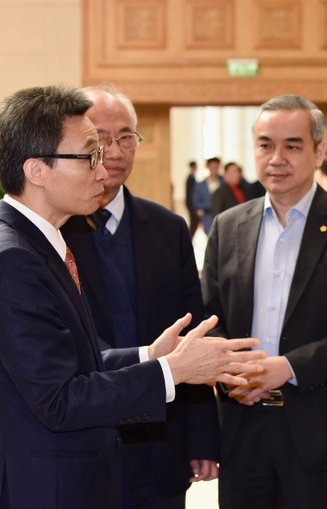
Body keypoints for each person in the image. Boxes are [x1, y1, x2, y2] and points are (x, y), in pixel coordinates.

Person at [0, 85, 265, 509]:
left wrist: (149, 356)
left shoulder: (32, 244)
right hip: (44, 490)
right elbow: (59, 400)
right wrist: (172, 371)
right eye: (90, 155)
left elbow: (69, 364)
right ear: (37, 170)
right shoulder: (11, 260)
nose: (104, 171)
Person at [202, 94, 327, 508]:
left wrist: (286, 368)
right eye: (265, 145)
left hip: (323, 431)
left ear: (318, 151)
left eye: (292, 145)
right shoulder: (229, 225)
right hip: (242, 427)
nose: (276, 158)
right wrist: (229, 370)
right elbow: (209, 317)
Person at [61, 85, 219, 508]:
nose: (114, 150)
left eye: (125, 136)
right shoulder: (55, 230)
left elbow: (193, 334)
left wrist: (202, 436)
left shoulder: (168, 227)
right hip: (85, 440)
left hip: (160, 440)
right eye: (100, 138)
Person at [193, 156, 222, 233]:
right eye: (212, 166)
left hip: (222, 216)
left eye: (216, 166)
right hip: (208, 218)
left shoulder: (223, 182)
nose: (214, 169)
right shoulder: (201, 185)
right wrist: (212, 204)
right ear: (208, 167)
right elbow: (196, 203)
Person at [185, 160, 200, 238]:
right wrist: (194, 206)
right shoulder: (190, 178)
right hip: (191, 204)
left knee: (194, 222)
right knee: (194, 222)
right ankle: (189, 238)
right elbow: (191, 193)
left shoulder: (192, 177)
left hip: (191, 204)